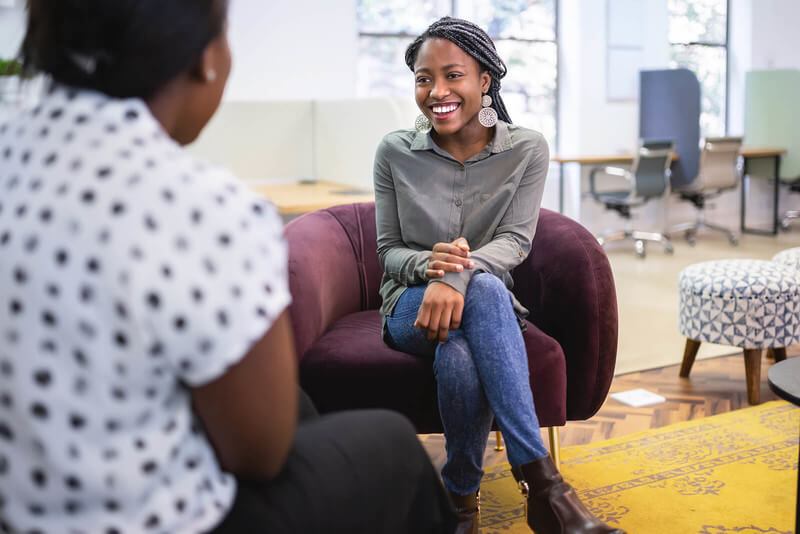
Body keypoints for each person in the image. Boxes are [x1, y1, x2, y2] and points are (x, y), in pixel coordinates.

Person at [0, 1, 457, 533]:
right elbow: (257, 452)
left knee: (304, 406)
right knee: (393, 447)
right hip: (144, 519)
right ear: (206, 59)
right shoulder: (204, 208)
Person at [374, 16, 625, 534]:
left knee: (462, 350)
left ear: (484, 80)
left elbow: (515, 242)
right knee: (482, 285)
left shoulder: (526, 149)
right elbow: (389, 251)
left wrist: (458, 278)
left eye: (452, 75)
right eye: (424, 79)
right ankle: (545, 487)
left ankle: (460, 504)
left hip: (484, 303)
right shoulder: (395, 151)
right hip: (408, 306)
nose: (436, 91)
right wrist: (434, 269)